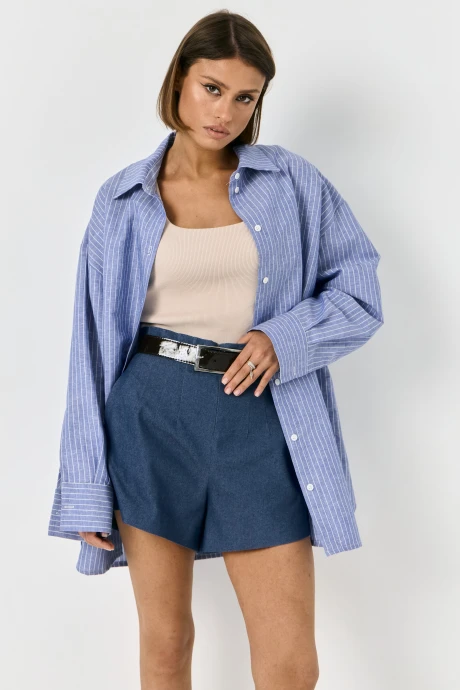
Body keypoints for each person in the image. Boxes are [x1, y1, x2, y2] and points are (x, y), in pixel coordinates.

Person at [48, 9, 384, 689]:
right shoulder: (122, 200)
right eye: (211, 88)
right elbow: (89, 345)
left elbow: (360, 292)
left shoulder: (291, 184)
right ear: (178, 79)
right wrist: (84, 485)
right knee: (166, 646)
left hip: (259, 418)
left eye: (245, 97)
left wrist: (285, 337)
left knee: (290, 665)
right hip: (149, 418)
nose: (224, 112)